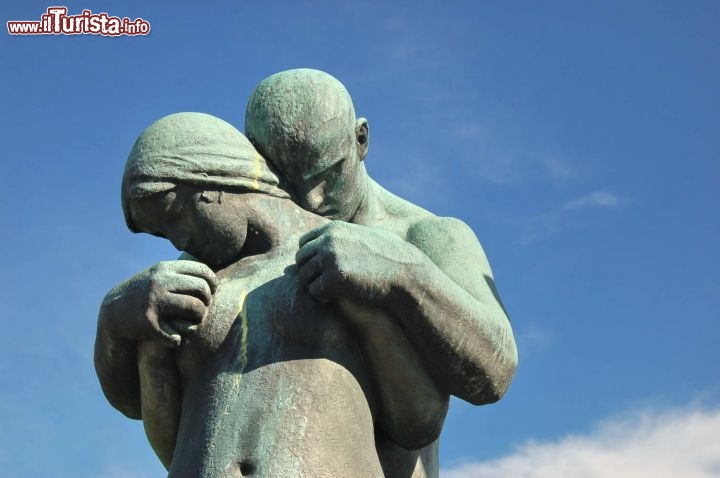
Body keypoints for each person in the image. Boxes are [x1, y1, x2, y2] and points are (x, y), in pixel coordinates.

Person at [94, 112, 448, 477]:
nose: (178, 239)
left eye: (174, 214)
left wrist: (378, 300)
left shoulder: (348, 254)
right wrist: (115, 321)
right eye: (162, 234)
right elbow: (142, 412)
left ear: (212, 181)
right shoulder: (188, 287)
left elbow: (417, 421)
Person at [245, 69, 519, 476]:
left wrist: (403, 275)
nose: (312, 198)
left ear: (361, 139)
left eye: (328, 173)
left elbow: (495, 372)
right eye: (287, 180)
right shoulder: (248, 241)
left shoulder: (427, 235)